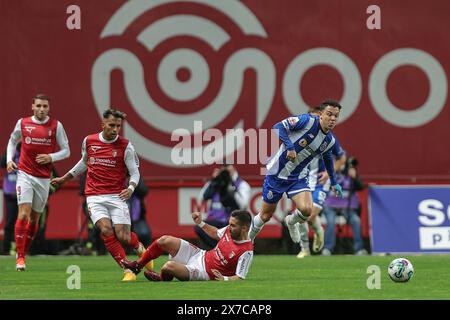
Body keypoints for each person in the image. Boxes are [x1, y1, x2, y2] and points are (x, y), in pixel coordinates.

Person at [51, 108, 152, 281]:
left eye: (118, 126)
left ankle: (140, 248)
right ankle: (127, 270)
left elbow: (135, 172)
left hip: (116, 196)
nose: (115, 129)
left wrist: (131, 188)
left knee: (124, 236)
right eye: (111, 125)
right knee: (105, 230)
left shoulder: (126, 146)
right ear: (103, 124)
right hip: (95, 196)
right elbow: (84, 163)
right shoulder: (89, 141)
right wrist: (64, 179)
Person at [249, 99, 343, 243]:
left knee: (306, 210)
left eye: (335, 116)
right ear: (321, 114)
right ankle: (248, 240)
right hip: (277, 174)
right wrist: (290, 147)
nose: (332, 118)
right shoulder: (307, 121)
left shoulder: (329, 140)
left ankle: (291, 221)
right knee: (265, 216)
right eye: (329, 114)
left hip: (298, 177)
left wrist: (334, 182)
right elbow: (278, 127)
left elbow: (328, 159)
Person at [6, 94, 70, 271]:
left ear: (49, 108)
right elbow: (12, 141)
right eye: (39, 106)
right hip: (24, 174)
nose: (41, 109)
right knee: (23, 214)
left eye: (45, 107)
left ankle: (23, 251)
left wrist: (51, 156)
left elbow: (66, 151)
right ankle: (19, 257)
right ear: (33, 106)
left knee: (35, 218)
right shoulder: (23, 123)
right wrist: (9, 160)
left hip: (43, 178)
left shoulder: (56, 126)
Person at [122, 210, 254, 282]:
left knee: (168, 266)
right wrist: (200, 223)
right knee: (164, 240)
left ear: (244, 228)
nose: (229, 227)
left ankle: (161, 278)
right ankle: (137, 266)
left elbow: (240, 277)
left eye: (233, 225)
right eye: (229, 224)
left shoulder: (246, 251)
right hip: (200, 254)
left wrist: (224, 279)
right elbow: (215, 233)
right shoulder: (229, 230)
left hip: (205, 273)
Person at [296, 107, 347, 258]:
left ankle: (319, 231)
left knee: (309, 216)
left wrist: (329, 173)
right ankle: (304, 249)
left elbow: (342, 158)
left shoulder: (328, 138)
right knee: (301, 214)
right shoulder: (300, 135)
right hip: (302, 180)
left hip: (320, 182)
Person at [195, 164, 250, 249]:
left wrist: (231, 187)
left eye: (228, 171)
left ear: (234, 170)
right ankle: (221, 249)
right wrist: (213, 181)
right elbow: (201, 198)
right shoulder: (216, 183)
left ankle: (225, 250)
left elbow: (243, 205)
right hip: (214, 220)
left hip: (231, 221)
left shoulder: (241, 184)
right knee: (199, 227)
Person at [321, 156, 367, 256]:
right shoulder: (328, 172)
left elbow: (361, 187)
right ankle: (327, 249)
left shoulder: (349, 173)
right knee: (331, 222)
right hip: (330, 205)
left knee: (356, 221)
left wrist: (354, 177)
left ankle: (359, 249)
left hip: (347, 207)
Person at [1, 144, 21, 255]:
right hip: (10, 193)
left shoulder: (27, 152)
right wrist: (10, 155)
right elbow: (2, 163)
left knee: (22, 222)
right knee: (9, 222)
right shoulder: (11, 152)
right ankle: (5, 250)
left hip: (23, 192)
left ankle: (21, 249)